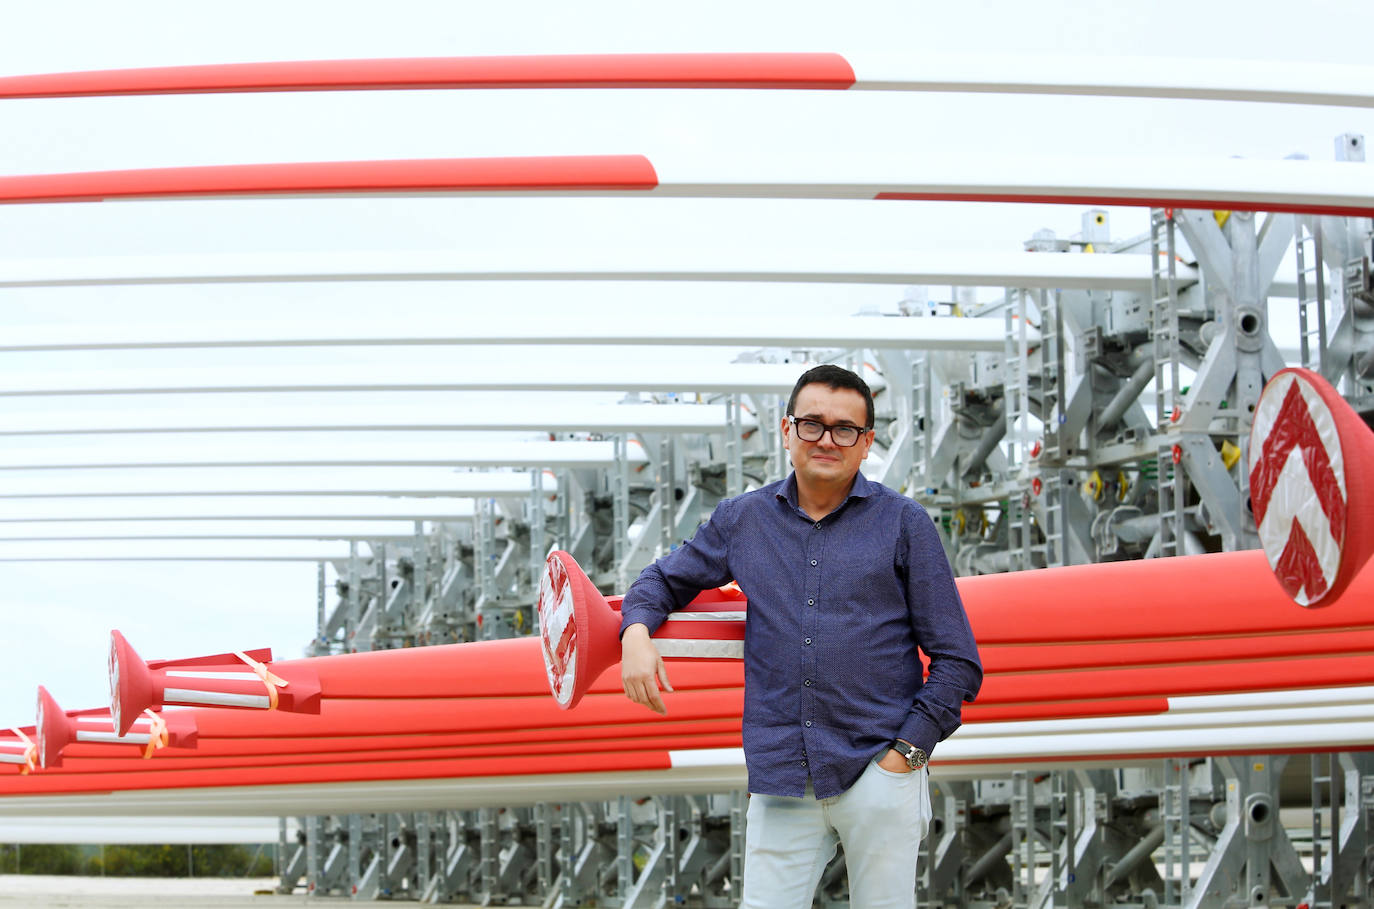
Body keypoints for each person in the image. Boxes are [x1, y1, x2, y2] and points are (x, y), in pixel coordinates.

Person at [619, 364, 982, 909]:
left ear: (867, 444)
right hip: (784, 775)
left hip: (878, 767)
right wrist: (635, 633)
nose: (826, 439)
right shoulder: (744, 521)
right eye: (811, 424)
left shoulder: (905, 524)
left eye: (844, 429)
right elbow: (662, 578)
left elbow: (957, 659)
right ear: (787, 432)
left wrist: (905, 754)